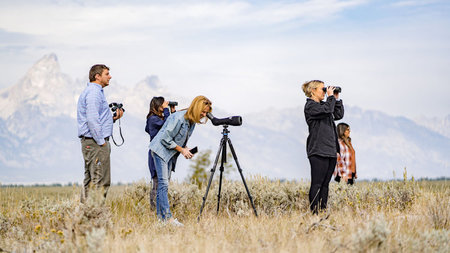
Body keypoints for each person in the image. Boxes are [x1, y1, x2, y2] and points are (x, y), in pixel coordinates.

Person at [149, 95, 212, 226]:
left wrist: (185, 149)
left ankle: (161, 220)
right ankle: (168, 218)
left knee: (163, 185)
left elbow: (178, 139)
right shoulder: (178, 118)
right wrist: (181, 150)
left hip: (169, 153)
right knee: (163, 184)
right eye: (203, 111)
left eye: (206, 112)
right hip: (160, 151)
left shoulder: (192, 122)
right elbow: (165, 138)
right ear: (196, 108)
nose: (204, 115)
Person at [77, 64, 124, 201]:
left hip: (92, 142)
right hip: (96, 143)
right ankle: (95, 216)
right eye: (107, 74)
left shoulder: (93, 92)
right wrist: (101, 142)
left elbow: (97, 118)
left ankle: (84, 216)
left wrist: (113, 118)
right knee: (100, 180)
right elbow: (92, 120)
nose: (110, 76)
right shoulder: (94, 93)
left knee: (91, 180)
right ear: (97, 76)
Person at [302, 80, 344, 214]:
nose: (325, 92)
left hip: (330, 150)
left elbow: (338, 115)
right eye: (322, 89)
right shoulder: (310, 106)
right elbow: (327, 110)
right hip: (318, 150)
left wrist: (336, 99)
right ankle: (314, 212)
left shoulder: (325, 106)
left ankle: (323, 211)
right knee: (317, 183)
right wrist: (330, 98)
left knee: (325, 184)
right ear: (313, 91)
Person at [145, 97, 171, 209]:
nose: (164, 106)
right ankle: (155, 209)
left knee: (163, 183)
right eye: (162, 105)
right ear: (157, 106)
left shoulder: (156, 119)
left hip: (162, 152)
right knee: (157, 182)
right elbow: (167, 126)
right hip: (156, 153)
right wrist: (166, 111)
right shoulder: (152, 119)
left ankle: (160, 208)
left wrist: (172, 112)